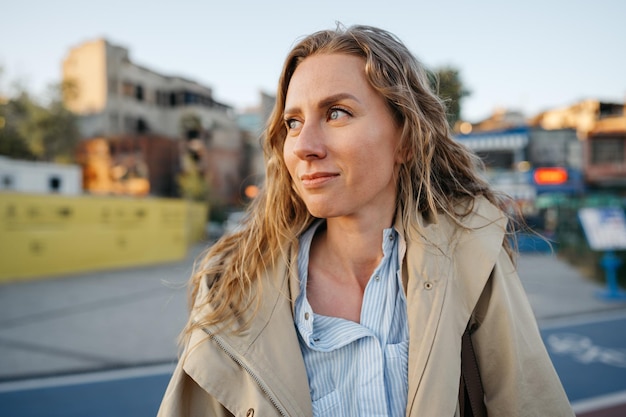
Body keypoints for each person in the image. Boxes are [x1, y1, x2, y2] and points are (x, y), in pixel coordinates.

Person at [158, 24, 574, 416]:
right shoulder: (235, 285)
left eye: (337, 113)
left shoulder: (472, 260)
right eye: (293, 122)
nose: (304, 146)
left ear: (407, 139)